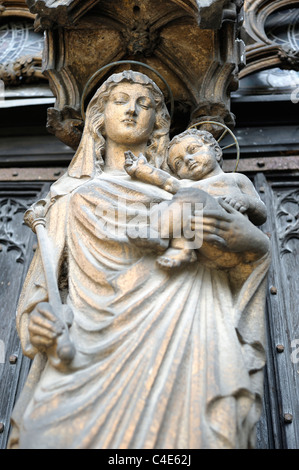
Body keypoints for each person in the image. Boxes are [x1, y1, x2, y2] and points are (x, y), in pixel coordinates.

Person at [9, 70, 270, 449]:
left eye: (144, 104)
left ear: (159, 122)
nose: (132, 110)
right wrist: (40, 325)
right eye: (120, 101)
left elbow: (241, 258)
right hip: (86, 350)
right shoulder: (71, 198)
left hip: (187, 334)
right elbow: (40, 293)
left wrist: (248, 242)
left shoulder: (184, 190)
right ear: (99, 116)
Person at [124, 128, 267, 269]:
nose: (187, 159)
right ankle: (181, 248)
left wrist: (246, 202)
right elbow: (168, 182)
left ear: (216, 151)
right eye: (178, 163)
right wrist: (141, 170)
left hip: (229, 236)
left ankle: (160, 235)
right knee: (164, 206)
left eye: (193, 150)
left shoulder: (235, 178)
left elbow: (262, 213)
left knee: (190, 196)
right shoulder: (187, 185)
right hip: (206, 245)